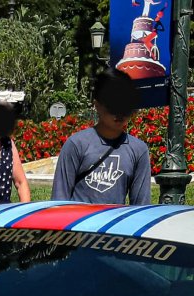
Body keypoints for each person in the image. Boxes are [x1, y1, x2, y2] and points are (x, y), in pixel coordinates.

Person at [51, 70, 152, 205]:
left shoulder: (139, 151)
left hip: (114, 225)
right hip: (78, 224)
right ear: (97, 105)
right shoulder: (76, 144)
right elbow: (59, 200)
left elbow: (141, 207)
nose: (119, 114)